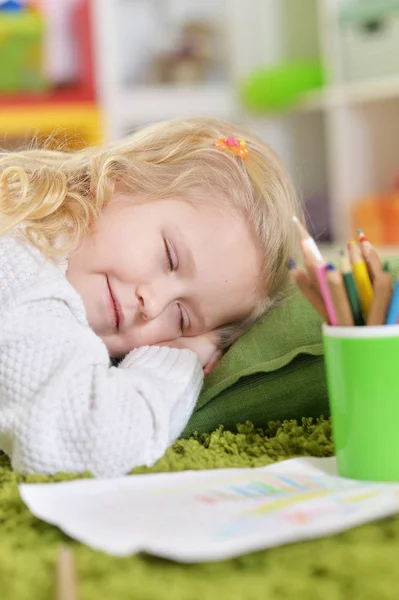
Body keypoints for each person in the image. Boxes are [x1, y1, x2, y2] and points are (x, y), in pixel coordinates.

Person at [0, 117, 301, 476]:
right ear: (120, 180)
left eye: (181, 318)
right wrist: (179, 359)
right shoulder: (17, 257)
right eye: (170, 257)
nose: (153, 304)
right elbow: (94, 441)